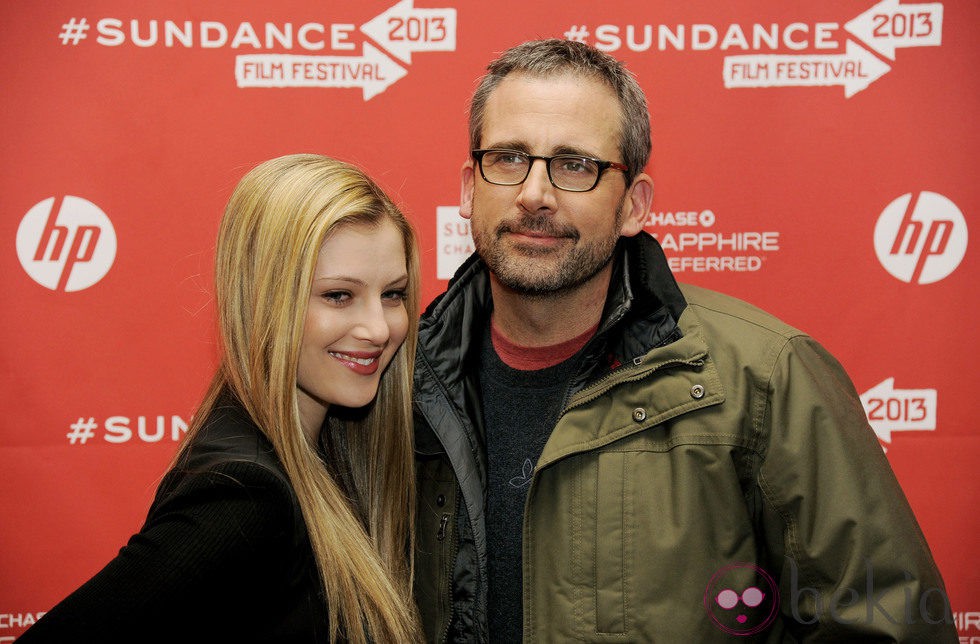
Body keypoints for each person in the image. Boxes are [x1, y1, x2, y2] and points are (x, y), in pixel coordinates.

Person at [412, 39, 957, 642]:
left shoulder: (767, 378)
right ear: (468, 188)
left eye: (575, 165)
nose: (534, 194)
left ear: (633, 205)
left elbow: (892, 623)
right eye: (509, 158)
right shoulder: (402, 380)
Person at [20, 154, 424, 643]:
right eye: (338, 295)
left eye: (393, 294)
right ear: (262, 299)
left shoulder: (332, 449)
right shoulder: (245, 493)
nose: (379, 329)